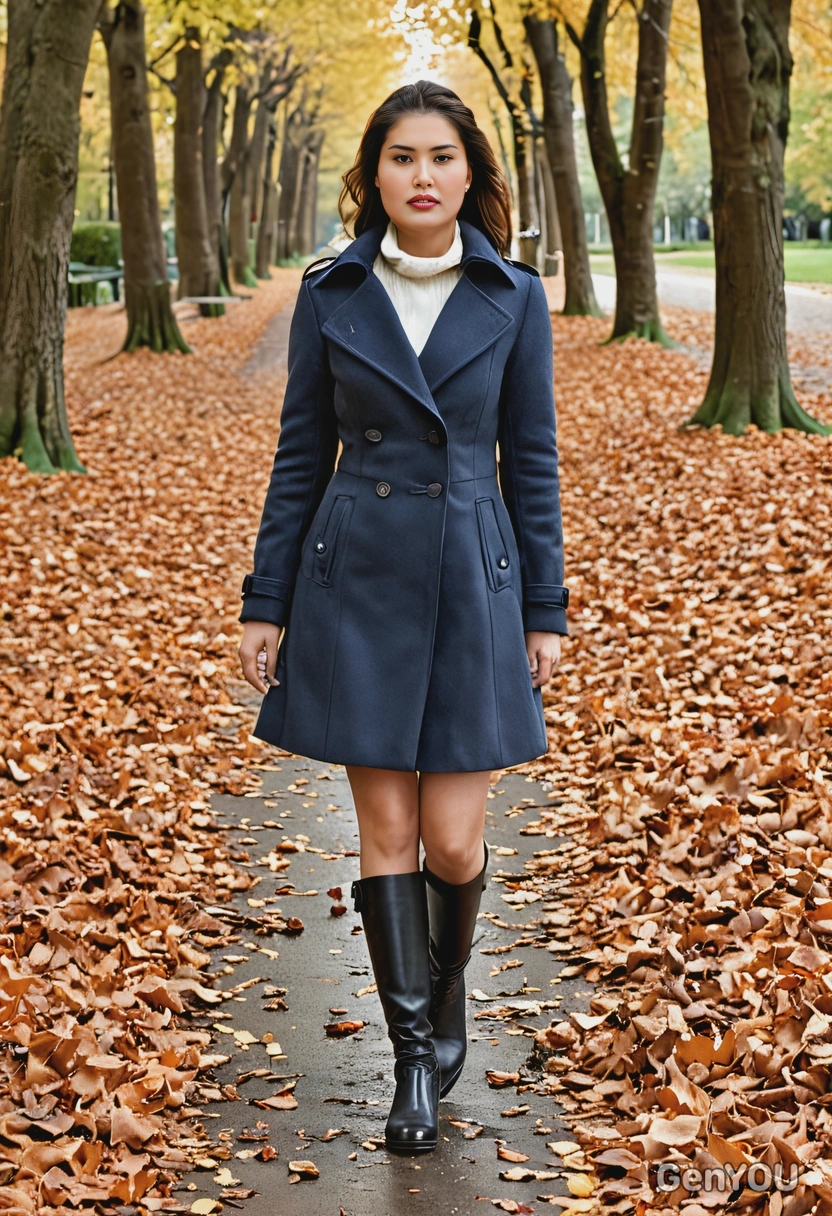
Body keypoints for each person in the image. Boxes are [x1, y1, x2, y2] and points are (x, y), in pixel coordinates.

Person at [238, 80, 568, 1154]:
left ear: (470, 173)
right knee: (386, 833)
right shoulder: (330, 291)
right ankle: (413, 1058)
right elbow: (299, 455)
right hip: (358, 573)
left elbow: (532, 460)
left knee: (455, 841)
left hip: (475, 576)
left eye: (440, 157)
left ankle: (445, 981)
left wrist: (545, 607)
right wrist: (267, 602)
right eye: (399, 157)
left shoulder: (512, 295)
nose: (420, 176)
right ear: (371, 174)